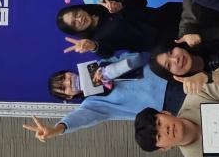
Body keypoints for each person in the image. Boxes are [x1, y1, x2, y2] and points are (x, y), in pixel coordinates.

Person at [23, 51, 186, 140]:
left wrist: (110, 70)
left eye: (64, 77)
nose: (68, 82)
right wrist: (56, 130)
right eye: (64, 88)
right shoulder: (92, 103)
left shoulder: (100, 64)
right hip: (166, 106)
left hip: (168, 72)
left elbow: (138, 58)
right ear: (69, 97)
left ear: (69, 72)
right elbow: (79, 119)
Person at [55, 0, 183, 58]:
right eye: (74, 23)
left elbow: (141, 0)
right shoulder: (96, 40)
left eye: (76, 14)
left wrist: (121, 4)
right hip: (166, 40)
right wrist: (93, 46)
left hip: (168, 14)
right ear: (75, 31)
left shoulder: (104, 4)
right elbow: (106, 52)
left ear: (79, 8)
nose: (79, 19)